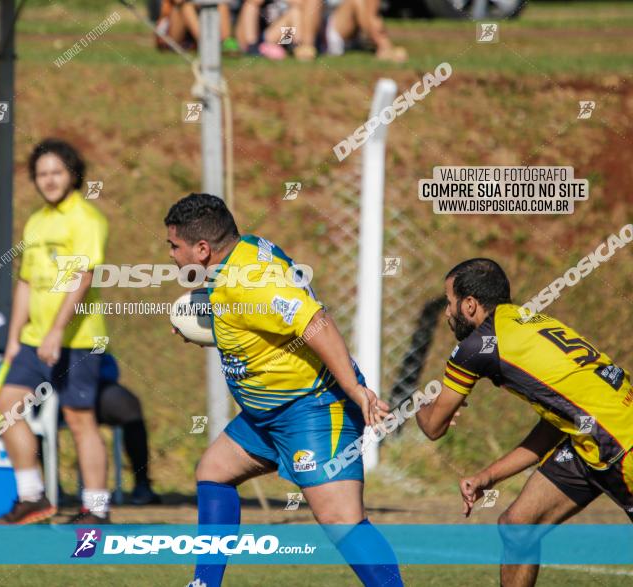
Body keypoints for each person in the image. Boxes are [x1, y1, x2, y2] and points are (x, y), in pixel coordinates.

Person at [164, 194, 402, 586]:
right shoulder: (245, 252)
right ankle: (204, 583)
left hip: (313, 408)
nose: (171, 255)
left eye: (175, 246)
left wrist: (356, 389)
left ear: (202, 249)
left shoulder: (250, 283)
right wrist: (210, 326)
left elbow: (315, 323)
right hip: (266, 415)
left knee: (341, 521)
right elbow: (259, 322)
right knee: (214, 471)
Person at [416, 259, 633, 587]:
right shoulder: (526, 320)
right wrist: (489, 475)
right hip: (592, 437)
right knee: (518, 526)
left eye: (449, 302)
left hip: (620, 444)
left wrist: (422, 406)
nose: (447, 312)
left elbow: (433, 427)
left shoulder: (476, 347)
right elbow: (560, 419)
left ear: (470, 304)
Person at [0, 138, 111, 525]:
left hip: (76, 340)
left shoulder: (87, 219)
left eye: (57, 171)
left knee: (79, 418)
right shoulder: (37, 221)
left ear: (73, 174)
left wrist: (57, 330)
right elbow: (26, 281)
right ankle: (33, 497)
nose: (49, 180)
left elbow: (83, 275)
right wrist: (14, 338)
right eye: (42, 173)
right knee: (6, 405)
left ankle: (95, 507)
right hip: (33, 339)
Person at [94, 354, 160, 505]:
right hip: (48, 386)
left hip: (94, 384)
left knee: (128, 405)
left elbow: (108, 368)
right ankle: (44, 485)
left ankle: (142, 484)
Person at [321, 0, 407, 63]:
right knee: (356, 1)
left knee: (366, 4)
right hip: (323, 31)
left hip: (341, 28)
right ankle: (384, 47)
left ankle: (383, 46)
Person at [236, 0, 323, 60]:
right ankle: (253, 47)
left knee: (295, 12)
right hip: (267, 38)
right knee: (294, 12)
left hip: (286, 37)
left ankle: (301, 46)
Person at [155, 0, 234, 52]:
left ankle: (226, 42)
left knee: (222, 4)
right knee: (186, 7)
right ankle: (209, 46)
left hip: (198, 17)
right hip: (174, 29)